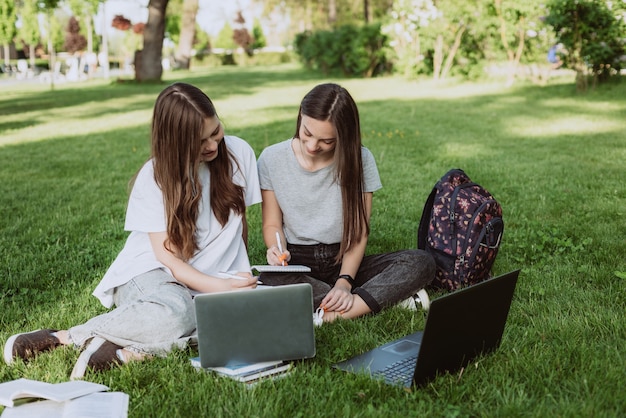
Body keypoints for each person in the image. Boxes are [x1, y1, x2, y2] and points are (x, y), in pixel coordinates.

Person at [3, 82, 262, 379]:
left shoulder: (240, 153)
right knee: (180, 313)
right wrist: (219, 289)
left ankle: (124, 350)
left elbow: (240, 224)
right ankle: (63, 337)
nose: (213, 146)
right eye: (199, 142)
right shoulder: (154, 178)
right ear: (175, 143)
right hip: (153, 275)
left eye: (215, 132)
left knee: (243, 321)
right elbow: (171, 262)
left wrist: (238, 272)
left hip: (214, 283)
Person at [257, 83, 435, 324]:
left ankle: (332, 313)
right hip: (297, 260)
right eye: (307, 133)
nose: (312, 146)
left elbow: (358, 232)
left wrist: (345, 281)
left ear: (344, 136)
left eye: (327, 141)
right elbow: (271, 223)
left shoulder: (361, 160)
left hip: (344, 258)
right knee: (271, 278)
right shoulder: (271, 158)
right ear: (300, 116)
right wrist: (275, 249)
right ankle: (376, 300)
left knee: (420, 262)